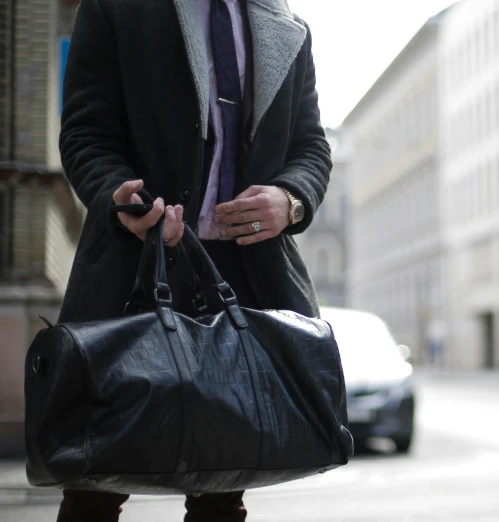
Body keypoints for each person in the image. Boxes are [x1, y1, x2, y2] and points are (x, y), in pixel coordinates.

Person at [56, 0, 330, 520]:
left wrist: (290, 200)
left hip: (241, 274)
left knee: (224, 484)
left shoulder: (286, 25)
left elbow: (311, 146)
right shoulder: (116, 8)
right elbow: (85, 133)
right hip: (133, 269)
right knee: (95, 480)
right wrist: (118, 199)